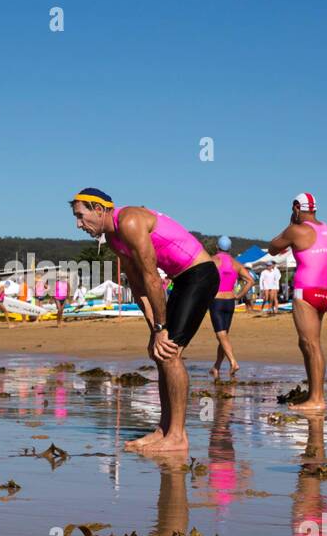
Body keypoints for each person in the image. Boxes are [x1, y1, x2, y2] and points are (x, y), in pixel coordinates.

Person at [71, 188, 218, 452]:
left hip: (199, 275)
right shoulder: (115, 239)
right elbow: (139, 287)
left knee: (170, 353)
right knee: (160, 353)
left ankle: (178, 436)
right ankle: (163, 429)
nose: (78, 224)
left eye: (81, 216)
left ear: (99, 210)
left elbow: (152, 277)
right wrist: (154, 329)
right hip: (181, 280)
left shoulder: (128, 221)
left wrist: (162, 329)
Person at [267, 193, 327, 412]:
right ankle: (313, 394)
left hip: (305, 292)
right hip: (325, 292)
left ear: (297, 207)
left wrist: (290, 223)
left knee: (311, 344)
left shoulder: (295, 230)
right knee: (308, 344)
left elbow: (272, 247)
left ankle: (317, 398)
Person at [210, 236, 256, 379]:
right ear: (229, 249)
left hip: (216, 300)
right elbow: (250, 280)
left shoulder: (213, 261)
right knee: (223, 337)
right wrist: (238, 295)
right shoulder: (236, 263)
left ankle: (233, 362)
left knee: (221, 335)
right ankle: (216, 367)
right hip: (230, 302)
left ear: (217, 247)